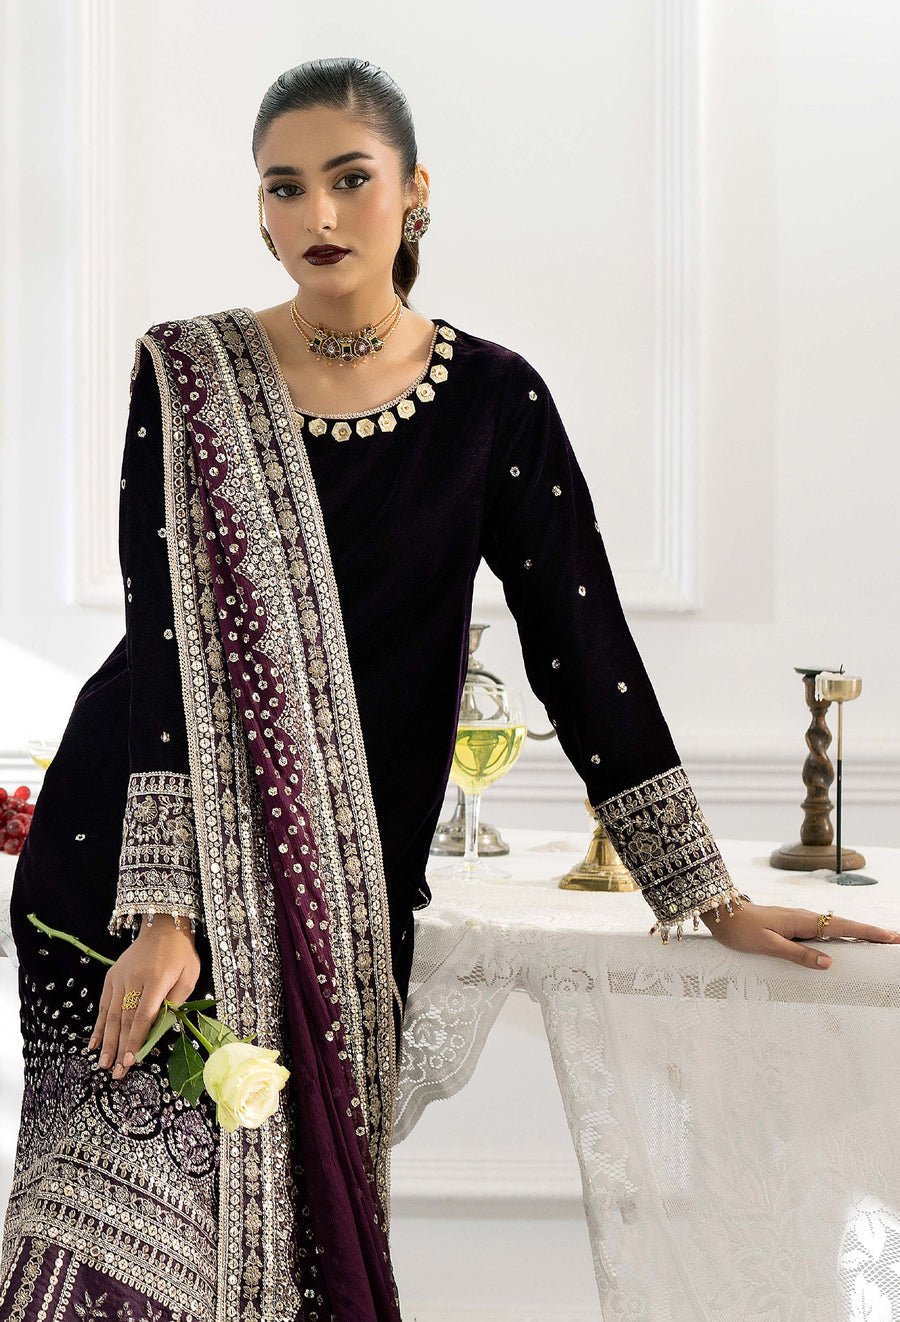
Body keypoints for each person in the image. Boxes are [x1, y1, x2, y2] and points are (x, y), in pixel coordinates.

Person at [2, 55, 897, 1322]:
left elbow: (582, 646)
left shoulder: (492, 401)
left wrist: (705, 890)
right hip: (128, 851)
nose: (319, 214)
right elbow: (159, 646)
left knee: (286, 1256)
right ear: (258, 209)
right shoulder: (186, 373)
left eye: (350, 179)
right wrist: (164, 909)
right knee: (101, 1262)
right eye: (285, 187)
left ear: (414, 190)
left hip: (342, 868)